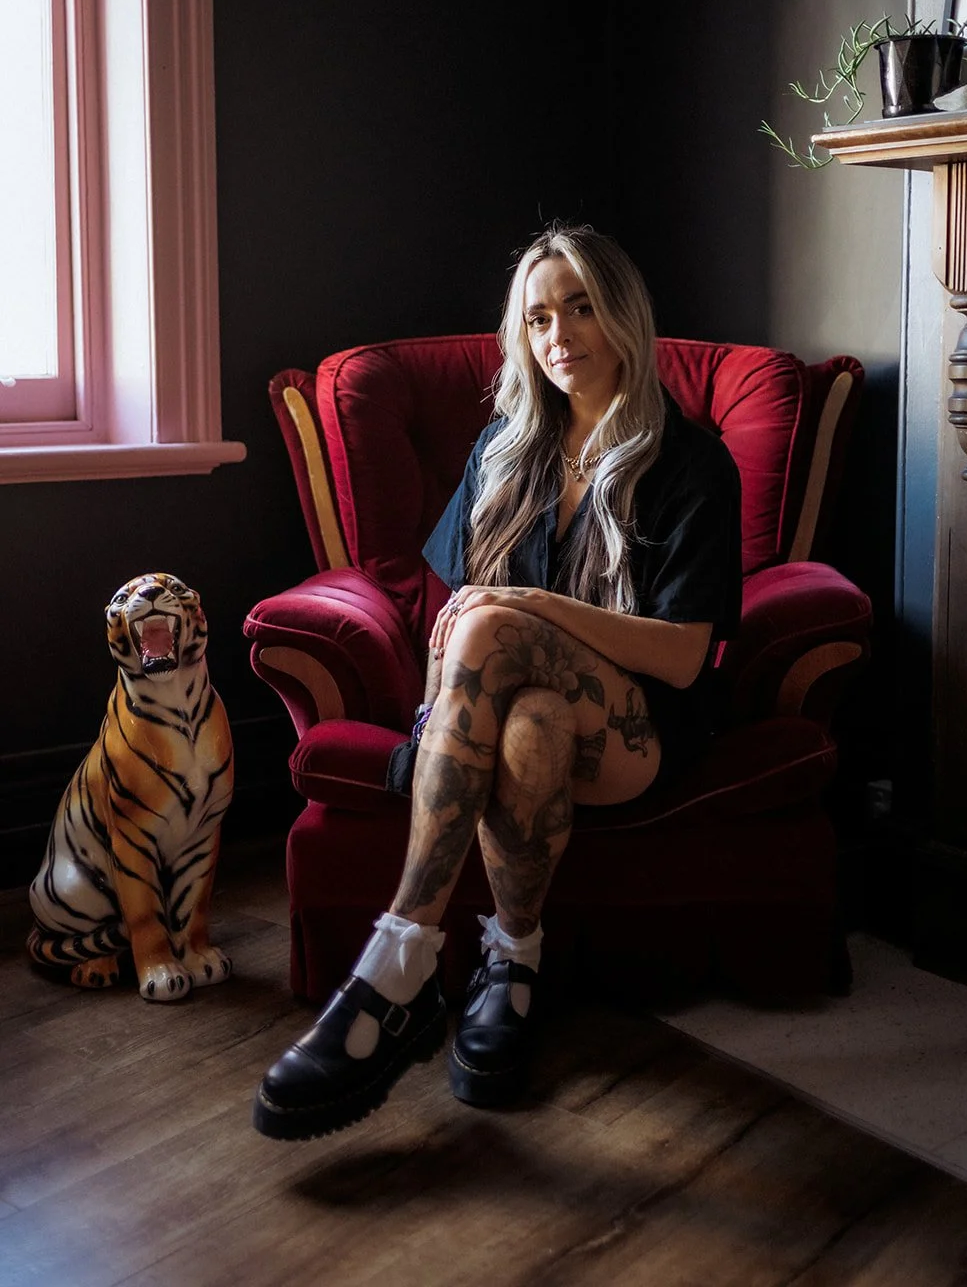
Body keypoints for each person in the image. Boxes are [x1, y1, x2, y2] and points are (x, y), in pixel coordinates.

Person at [253, 224, 742, 1141]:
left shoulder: (689, 462)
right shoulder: (502, 450)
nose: (560, 333)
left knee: (496, 622)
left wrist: (526, 606)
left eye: (582, 306)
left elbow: (682, 656)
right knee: (533, 724)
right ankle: (511, 965)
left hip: (641, 732)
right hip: (541, 720)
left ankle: (396, 966)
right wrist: (456, 723)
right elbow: (449, 619)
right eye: (540, 316)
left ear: (624, 315)